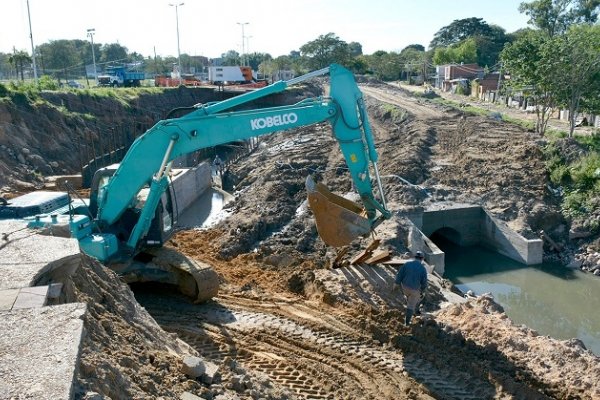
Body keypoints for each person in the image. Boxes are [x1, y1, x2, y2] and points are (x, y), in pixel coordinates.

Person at [395, 251, 428, 326]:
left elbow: (400, 274)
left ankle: (407, 300)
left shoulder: (407, 264)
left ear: (414, 257)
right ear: (422, 259)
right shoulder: (423, 269)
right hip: (414, 290)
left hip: (404, 287)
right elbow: (424, 282)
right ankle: (406, 323)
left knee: (408, 296)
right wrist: (422, 291)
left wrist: (396, 283)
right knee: (411, 305)